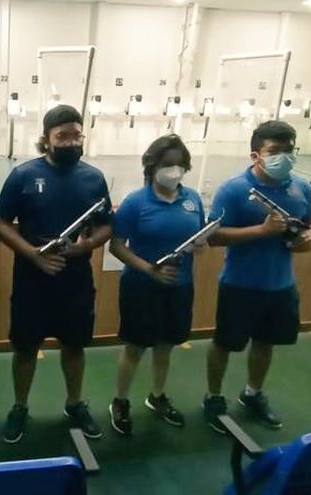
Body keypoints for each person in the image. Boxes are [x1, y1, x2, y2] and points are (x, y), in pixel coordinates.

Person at [0, 104, 113, 443]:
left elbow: (106, 225)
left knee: (74, 346)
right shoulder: (23, 175)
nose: (71, 142)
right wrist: (33, 254)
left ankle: (74, 404)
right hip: (32, 277)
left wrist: (85, 247)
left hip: (75, 278)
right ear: (46, 139)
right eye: (62, 136)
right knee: (25, 348)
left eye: (76, 135)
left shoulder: (94, 178)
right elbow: (1, 223)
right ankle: (20, 407)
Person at [202, 120, 311, 434]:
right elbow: (214, 236)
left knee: (266, 343)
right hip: (240, 283)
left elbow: (309, 224)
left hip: (281, 284)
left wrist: (307, 237)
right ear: (256, 155)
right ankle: (214, 397)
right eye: (275, 151)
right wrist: (261, 231)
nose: (284, 157)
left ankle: (253, 393)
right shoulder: (234, 190)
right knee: (225, 343)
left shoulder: (301, 187)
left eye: (289, 150)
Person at [109, 134, 205, 436]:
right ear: (152, 167)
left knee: (166, 346)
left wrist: (201, 244)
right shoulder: (135, 202)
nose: (174, 171)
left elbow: (199, 237)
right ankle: (120, 401)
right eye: (167, 164)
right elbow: (117, 246)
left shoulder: (193, 200)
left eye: (180, 164)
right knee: (135, 347)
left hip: (180, 286)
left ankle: (157, 396)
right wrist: (150, 270)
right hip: (140, 288)